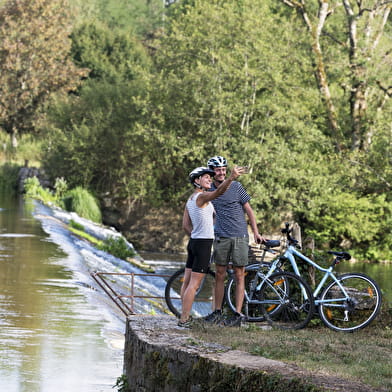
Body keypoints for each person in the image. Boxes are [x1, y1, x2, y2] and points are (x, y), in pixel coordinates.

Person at [178, 165, 245, 328]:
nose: (210, 178)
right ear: (197, 181)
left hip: (194, 242)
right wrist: (231, 178)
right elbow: (219, 192)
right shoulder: (202, 197)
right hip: (203, 244)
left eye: (210, 176)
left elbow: (185, 225)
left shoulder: (190, 199)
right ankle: (184, 319)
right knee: (194, 284)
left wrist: (197, 233)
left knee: (186, 282)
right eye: (206, 177)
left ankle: (183, 315)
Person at [204, 155, 265, 327]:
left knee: (239, 275)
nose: (221, 172)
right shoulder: (209, 191)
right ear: (212, 172)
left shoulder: (237, 187)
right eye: (218, 170)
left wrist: (256, 232)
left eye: (224, 169)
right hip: (221, 236)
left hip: (239, 236)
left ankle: (238, 315)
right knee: (220, 275)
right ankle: (217, 311)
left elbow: (249, 210)